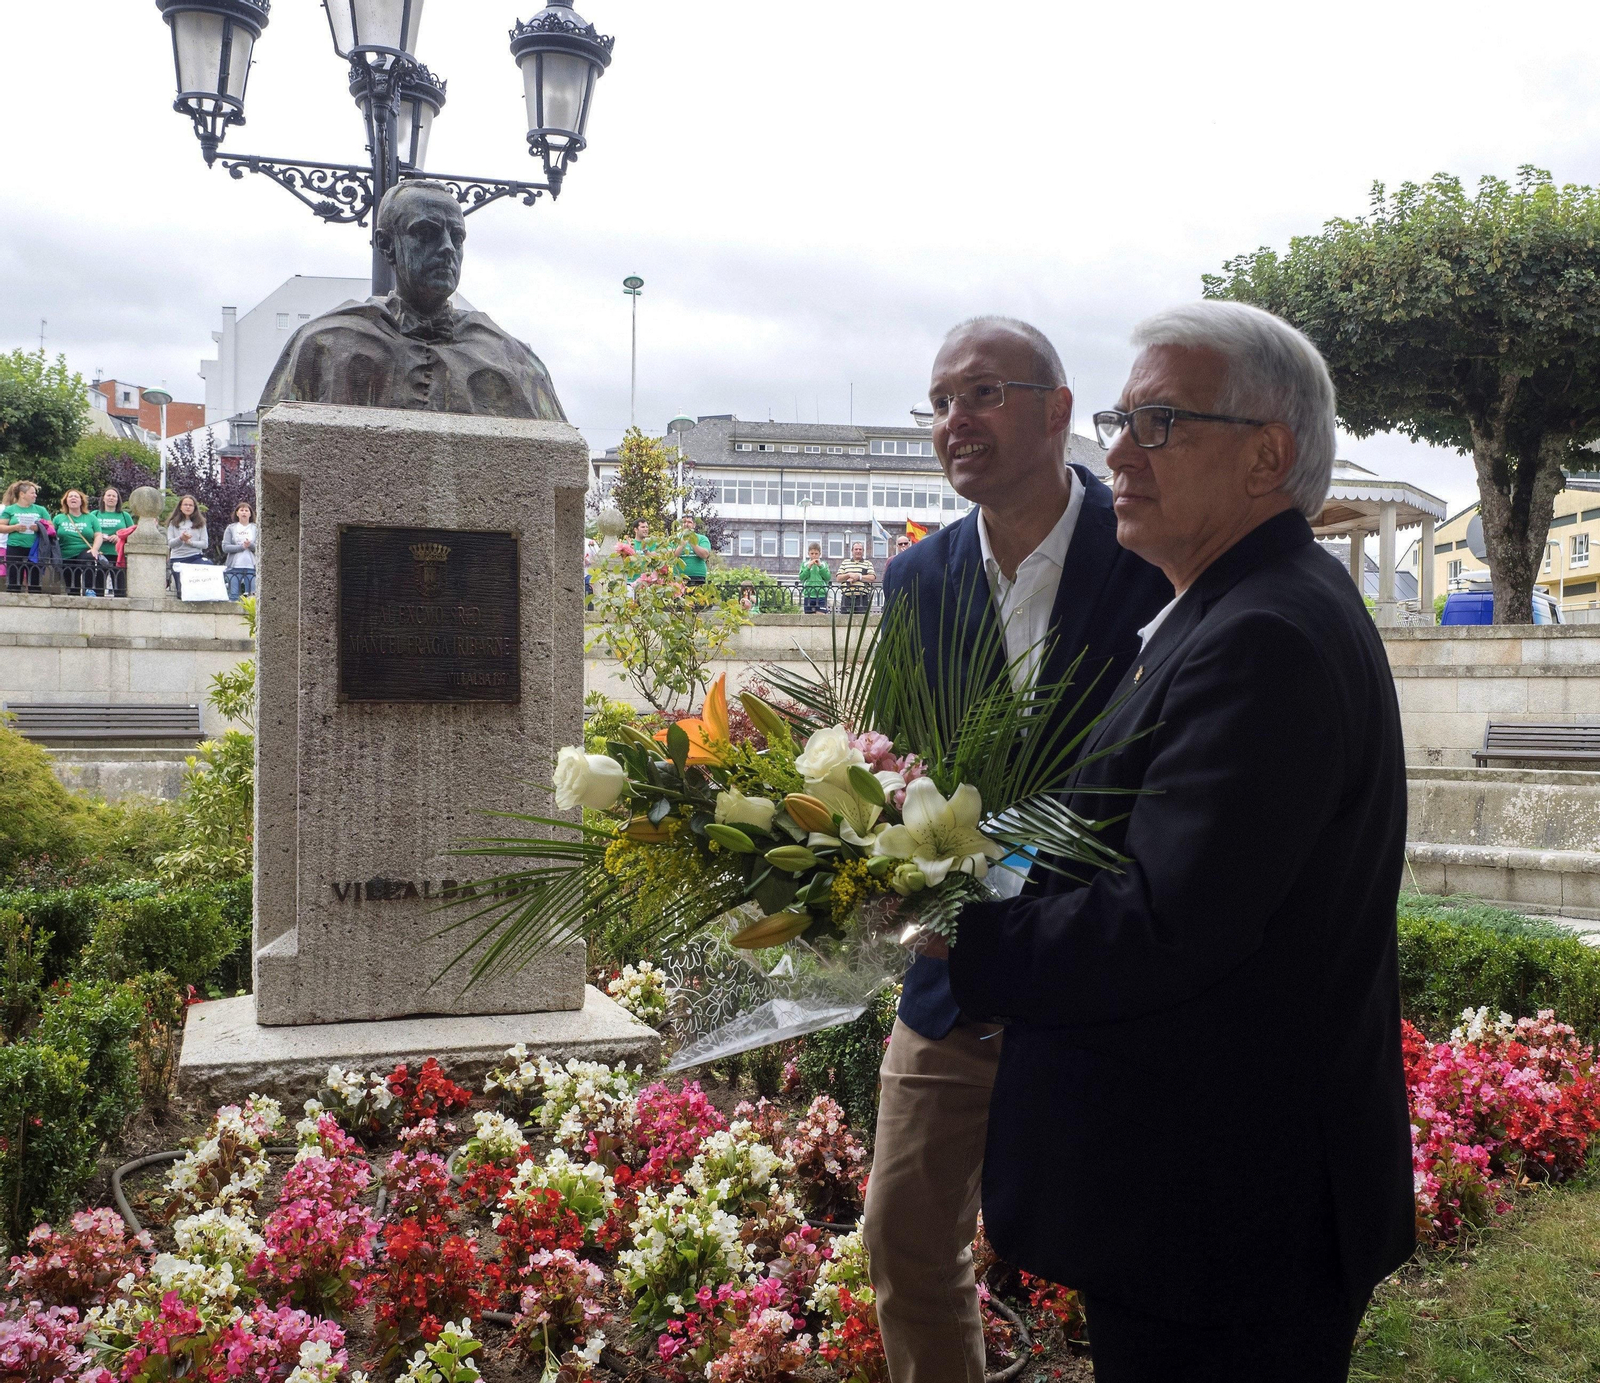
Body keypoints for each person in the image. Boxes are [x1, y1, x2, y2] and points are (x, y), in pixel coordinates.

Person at [941, 301, 1415, 1382]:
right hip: (1212, 1201)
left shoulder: (1262, 636)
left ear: (1267, 457)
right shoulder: (1233, 609)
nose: (1115, 452)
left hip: (1228, 1220)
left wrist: (954, 938)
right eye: (1119, 418)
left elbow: (1165, 923)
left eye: (1158, 423)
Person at [864, 316, 1171, 1383]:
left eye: (982, 394)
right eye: (940, 402)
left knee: (1133, 1250)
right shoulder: (916, 580)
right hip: (954, 974)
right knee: (903, 1236)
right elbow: (892, 767)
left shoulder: (1151, 561)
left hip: (1110, 969)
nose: (955, 422)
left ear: (1056, 410)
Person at [259, 180, 566, 420]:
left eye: (456, 237)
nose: (447, 248)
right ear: (386, 245)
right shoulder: (323, 344)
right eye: (426, 233)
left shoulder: (512, 359)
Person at [0, 480, 49, 593]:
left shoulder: (40, 510)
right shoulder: (10, 509)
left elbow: (50, 527)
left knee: (34, 580)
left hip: (35, 548)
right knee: (14, 579)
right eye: (32, 493)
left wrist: (38, 527)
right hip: (15, 546)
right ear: (22, 494)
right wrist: (14, 527)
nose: (35, 495)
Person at [54, 489, 99, 597]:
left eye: (76, 497)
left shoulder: (91, 518)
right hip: (66, 553)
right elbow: (52, 535)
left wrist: (95, 549)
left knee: (88, 559)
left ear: (81, 501)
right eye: (70, 497)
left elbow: (98, 535)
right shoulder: (58, 518)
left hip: (84, 549)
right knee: (72, 587)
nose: (73, 498)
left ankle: (89, 589)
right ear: (66, 501)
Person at [91, 487, 134, 597]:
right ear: (103, 498)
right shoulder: (94, 514)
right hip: (100, 555)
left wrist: (119, 537)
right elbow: (87, 531)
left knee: (120, 588)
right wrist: (100, 536)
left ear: (118, 499)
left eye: (114, 496)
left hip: (118, 555)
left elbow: (132, 533)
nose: (111, 498)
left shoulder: (125, 516)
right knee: (98, 587)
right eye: (108, 495)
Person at [166, 494, 210, 592]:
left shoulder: (201, 523)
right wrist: (181, 538)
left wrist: (190, 543)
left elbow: (205, 544)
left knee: (208, 565)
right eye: (185, 504)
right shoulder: (173, 523)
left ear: (194, 508)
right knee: (182, 590)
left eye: (191, 505)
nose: (188, 507)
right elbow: (170, 543)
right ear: (180, 507)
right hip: (178, 558)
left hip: (195, 557)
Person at [222, 500, 259, 601]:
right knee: (233, 596)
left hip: (252, 567)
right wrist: (241, 547)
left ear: (250, 514)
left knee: (252, 597)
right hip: (234, 567)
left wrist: (250, 545)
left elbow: (261, 548)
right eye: (241, 510)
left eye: (246, 510)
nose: (244, 512)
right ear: (237, 513)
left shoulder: (256, 528)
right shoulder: (231, 528)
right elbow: (225, 547)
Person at [669, 516, 712, 585]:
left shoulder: (702, 538)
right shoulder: (675, 539)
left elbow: (705, 555)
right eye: (684, 522)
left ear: (694, 525)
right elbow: (670, 557)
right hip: (678, 577)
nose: (686, 524)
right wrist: (681, 545)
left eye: (689, 522)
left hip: (697, 577)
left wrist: (692, 542)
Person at [836, 541, 875, 614]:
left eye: (860, 549)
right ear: (852, 551)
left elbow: (872, 578)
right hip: (847, 597)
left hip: (862, 597)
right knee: (845, 621)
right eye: (856, 549)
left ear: (863, 551)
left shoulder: (868, 563)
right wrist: (849, 575)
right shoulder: (845, 562)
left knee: (862, 621)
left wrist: (858, 577)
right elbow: (838, 578)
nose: (858, 551)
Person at [798, 542, 831, 613]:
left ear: (820, 554)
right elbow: (801, 577)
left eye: (816, 554)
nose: (814, 556)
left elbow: (827, 577)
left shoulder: (824, 564)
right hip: (809, 595)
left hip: (821, 595)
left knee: (821, 617)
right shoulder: (804, 564)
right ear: (808, 554)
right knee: (809, 618)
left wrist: (820, 566)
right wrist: (808, 567)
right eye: (812, 553)